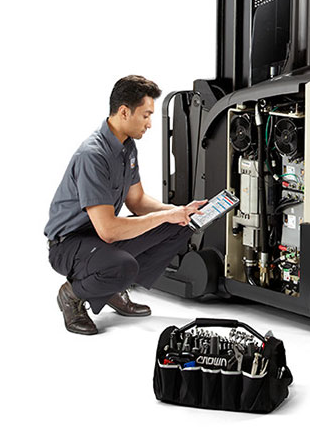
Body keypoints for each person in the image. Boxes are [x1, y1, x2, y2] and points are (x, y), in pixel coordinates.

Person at [45, 75, 206, 335]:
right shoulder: (93, 155)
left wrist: (180, 211)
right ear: (123, 112)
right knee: (123, 265)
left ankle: (111, 289)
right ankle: (72, 295)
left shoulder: (127, 147)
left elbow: (138, 202)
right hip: (70, 244)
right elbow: (108, 230)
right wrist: (167, 216)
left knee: (182, 225)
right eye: (146, 115)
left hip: (98, 238)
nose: (150, 124)